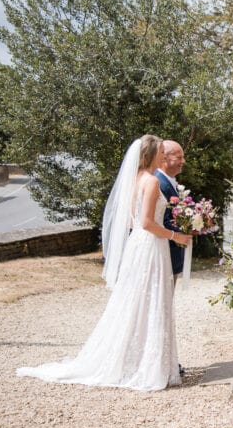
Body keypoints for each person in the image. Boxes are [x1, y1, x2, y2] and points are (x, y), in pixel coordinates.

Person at [17, 134, 192, 391]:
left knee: (136, 302)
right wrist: (177, 236)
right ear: (152, 155)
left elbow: (132, 223)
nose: (163, 157)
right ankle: (149, 366)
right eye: (160, 153)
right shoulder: (152, 181)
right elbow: (147, 222)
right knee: (153, 302)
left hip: (138, 246)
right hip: (152, 246)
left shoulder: (134, 180)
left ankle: (135, 361)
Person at [156, 140, 186, 281]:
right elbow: (163, 219)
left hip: (170, 250)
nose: (183, 161)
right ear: (164, 158)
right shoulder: (159, 182)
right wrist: (183, 230)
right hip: (163, 250)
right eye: (179, 158)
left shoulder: (168, 181)